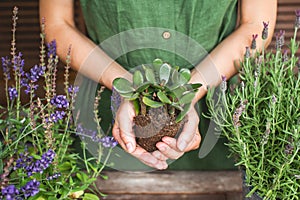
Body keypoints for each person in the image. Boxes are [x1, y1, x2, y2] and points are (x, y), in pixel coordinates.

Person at [39, 0, 277, 170]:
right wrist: (129, 92)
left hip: (216, 114)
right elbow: (57, 24)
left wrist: (187, 94)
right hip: (106, 111)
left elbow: (256, 25)